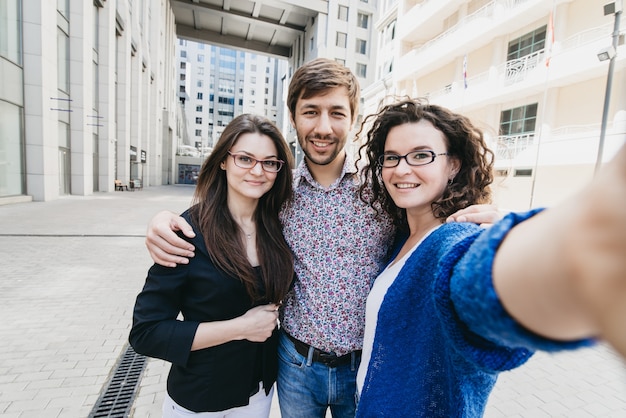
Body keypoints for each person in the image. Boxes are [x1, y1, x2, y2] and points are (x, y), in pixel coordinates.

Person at [144, 59, 500, 418]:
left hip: (365, 366)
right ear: (294, 117)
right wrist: (163, 220)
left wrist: (494, 228)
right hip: (295, 363)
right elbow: (230, 206)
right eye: (311, 112)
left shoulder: (385, 188)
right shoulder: (277, 191)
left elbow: (432, 227)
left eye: (336, 112)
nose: (323, 127)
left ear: (353, 117)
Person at [353, 98, 626, 417]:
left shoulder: (453, 239)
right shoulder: (400, 236)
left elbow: (478, 283)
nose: (401, 168)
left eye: (421, 155)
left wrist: (573, 253)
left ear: (452, 164)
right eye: (391, 158)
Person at [129, 114, 295, 417]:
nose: (258, 171)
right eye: (245, 158)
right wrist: (240, 328)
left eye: (270, 162)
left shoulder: (278, 227)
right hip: (201, 400)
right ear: (223, 161)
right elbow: (147, 332)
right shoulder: (188, 233)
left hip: (258, 393)